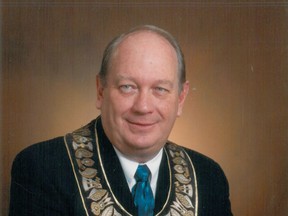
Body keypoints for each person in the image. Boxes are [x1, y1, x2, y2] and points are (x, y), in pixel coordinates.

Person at [9, 25, 233, 216]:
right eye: (128, 87)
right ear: (100, 91)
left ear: (181, 99)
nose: (143, 107)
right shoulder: (43, 168)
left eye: (160, 89)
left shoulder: (208, 178)